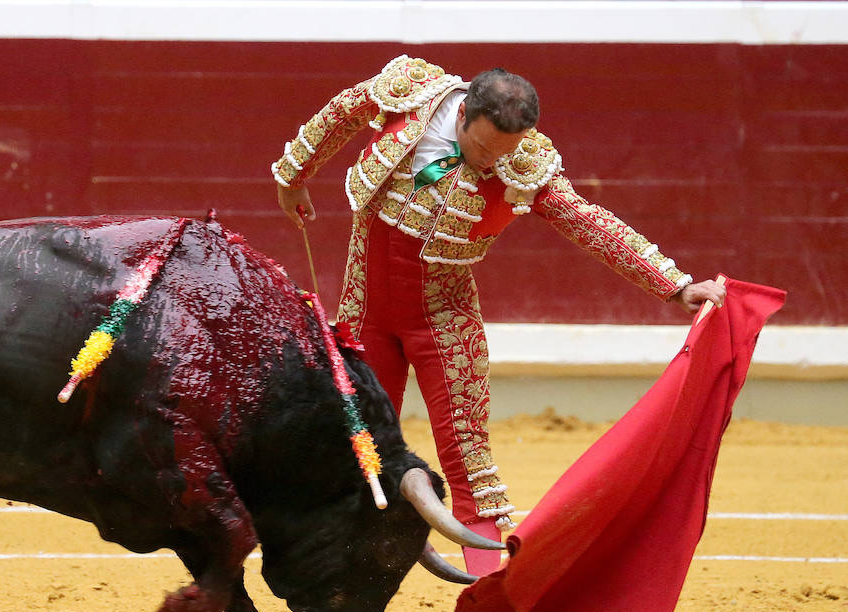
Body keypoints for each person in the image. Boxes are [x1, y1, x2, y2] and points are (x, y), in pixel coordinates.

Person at [272, 55, 726, 575]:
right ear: (462, 113)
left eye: (504, 152)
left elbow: (586, 221)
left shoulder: (523, 163)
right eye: (484, 148)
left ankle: (489, 598)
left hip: (445, 320)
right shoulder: (411, 96)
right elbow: (344, 111)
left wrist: (675, 285)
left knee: (469, 462)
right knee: (355, 460)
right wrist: (293, 176)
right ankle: (340, 607)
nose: (492, 163)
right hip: (363, 314)